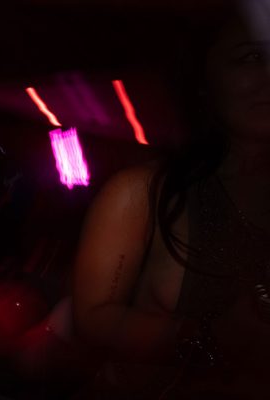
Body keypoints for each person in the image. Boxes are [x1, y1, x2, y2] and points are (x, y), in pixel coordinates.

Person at [72, 4, 270, 398]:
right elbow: (90, 321)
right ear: (204, 80)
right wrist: (208, 339)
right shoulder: (143, 194)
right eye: (251, 57)